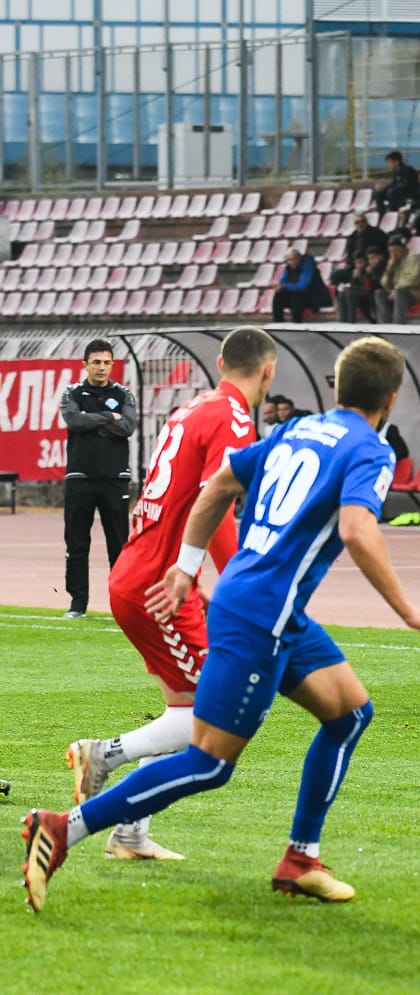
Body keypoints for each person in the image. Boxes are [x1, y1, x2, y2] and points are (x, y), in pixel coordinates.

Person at [21, 336, 420, 914]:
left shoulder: (297, 430)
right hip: (260, 617)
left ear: (337, 386)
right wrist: (409, 612)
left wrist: (186, 566)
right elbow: (356, 529)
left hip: (271, 610)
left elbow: (220, 484)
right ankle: (61, 827)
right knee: (210, 762)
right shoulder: (370, 449)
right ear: (392, 398)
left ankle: (301, 860)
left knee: (350, 714)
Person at [67, 326, 276, 861]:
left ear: (221, 362)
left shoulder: (192, 409)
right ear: (268, 370)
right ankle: (102, 755)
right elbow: (217, 499)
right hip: (157, 586)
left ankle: (130, 832)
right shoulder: (232, 417)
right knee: (213, 712)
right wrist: (240, 582)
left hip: (143, 574)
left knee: (182, 710)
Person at [61, 339, 137, 619]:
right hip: (80, 477)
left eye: (106, 362)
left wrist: (92, 420)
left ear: (112, 364)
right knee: (77, 543)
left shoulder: (124, 394)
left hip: (115, 478)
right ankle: (77, 604)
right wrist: (109, 417)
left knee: (119, 544)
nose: (101, 367)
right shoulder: (72, 392)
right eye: (96, 362)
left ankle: (122, 604)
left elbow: (127, 427)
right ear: (85, 365)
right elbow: (75, 422)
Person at [374, 235, 420, 323]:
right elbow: (385, 284)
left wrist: (395, 290)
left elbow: (412, 281)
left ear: (403, 249)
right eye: (391, 251)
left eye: (396, 250)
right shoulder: (394, 261)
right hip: (400, 291)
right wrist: (389, 269)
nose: (393, 254)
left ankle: (399, 325)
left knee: (400, 294)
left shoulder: (413, 259)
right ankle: (385, 325)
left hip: (419, 292)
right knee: (379, 293)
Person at [271, 248, 331, 322]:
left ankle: (297, 321)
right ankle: (278, 321)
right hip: (296, 296)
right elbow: (283, 282)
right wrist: (279, 286)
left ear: (299, 258)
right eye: (288, 260)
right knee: (279, 294)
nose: (290, 262)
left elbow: (302, 286)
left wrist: (285, 286)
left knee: (296, 295)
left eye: (292, 259)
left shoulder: (308, 266)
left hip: (313, 296)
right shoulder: (288, 268)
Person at [336, 245, 386, 323]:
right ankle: (343, 321)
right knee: (342, 294)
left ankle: (351, 321)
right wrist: (354, 280)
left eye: (361, 262)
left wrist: (368, 275)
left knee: (351, 295)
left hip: (373, 292)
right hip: (363, 293)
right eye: (357, 263)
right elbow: (357, 286)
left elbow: (378, 284)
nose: (359, 265)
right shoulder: (360, 271)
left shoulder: (380, 267)